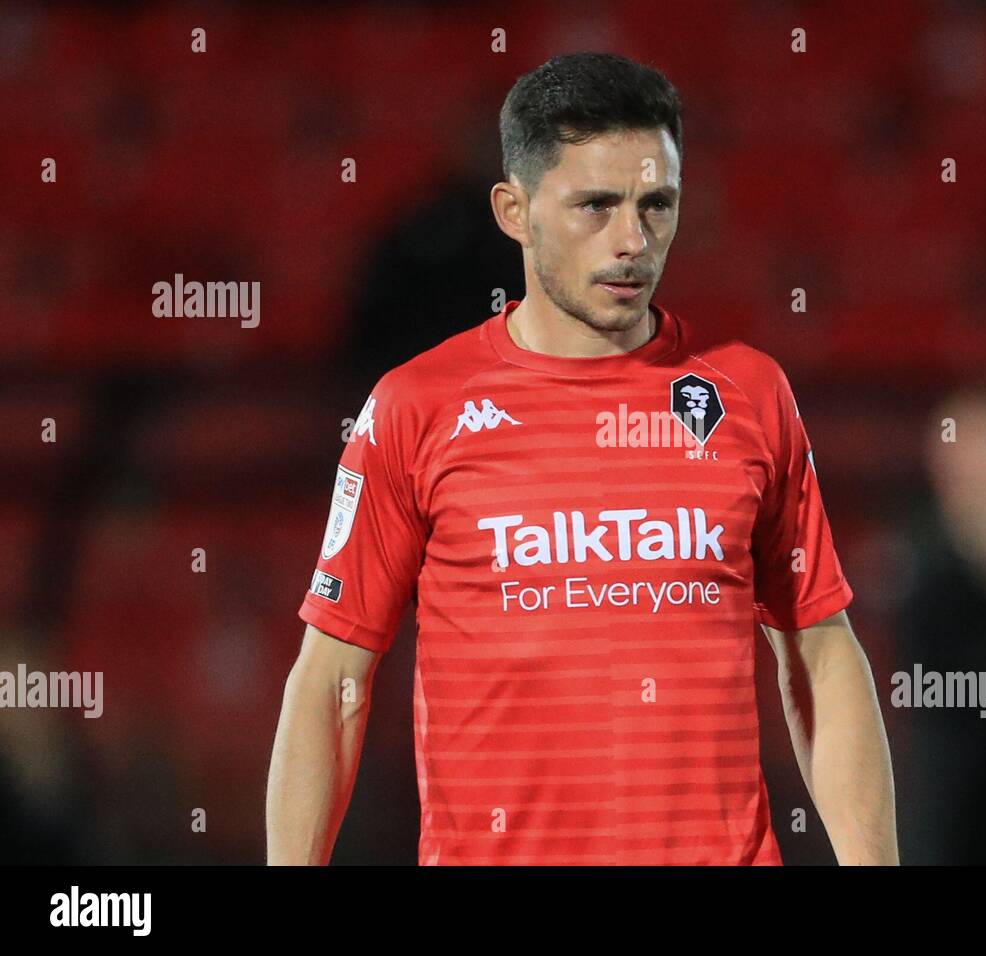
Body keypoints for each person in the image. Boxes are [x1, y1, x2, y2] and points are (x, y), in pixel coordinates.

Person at [266, 51, 898, 865]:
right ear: (513, 210)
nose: (632, 240)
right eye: (595, 206)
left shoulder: (749, 393)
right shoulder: (416, 409)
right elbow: (333, 685)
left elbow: (819, 648)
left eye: (656, 204)